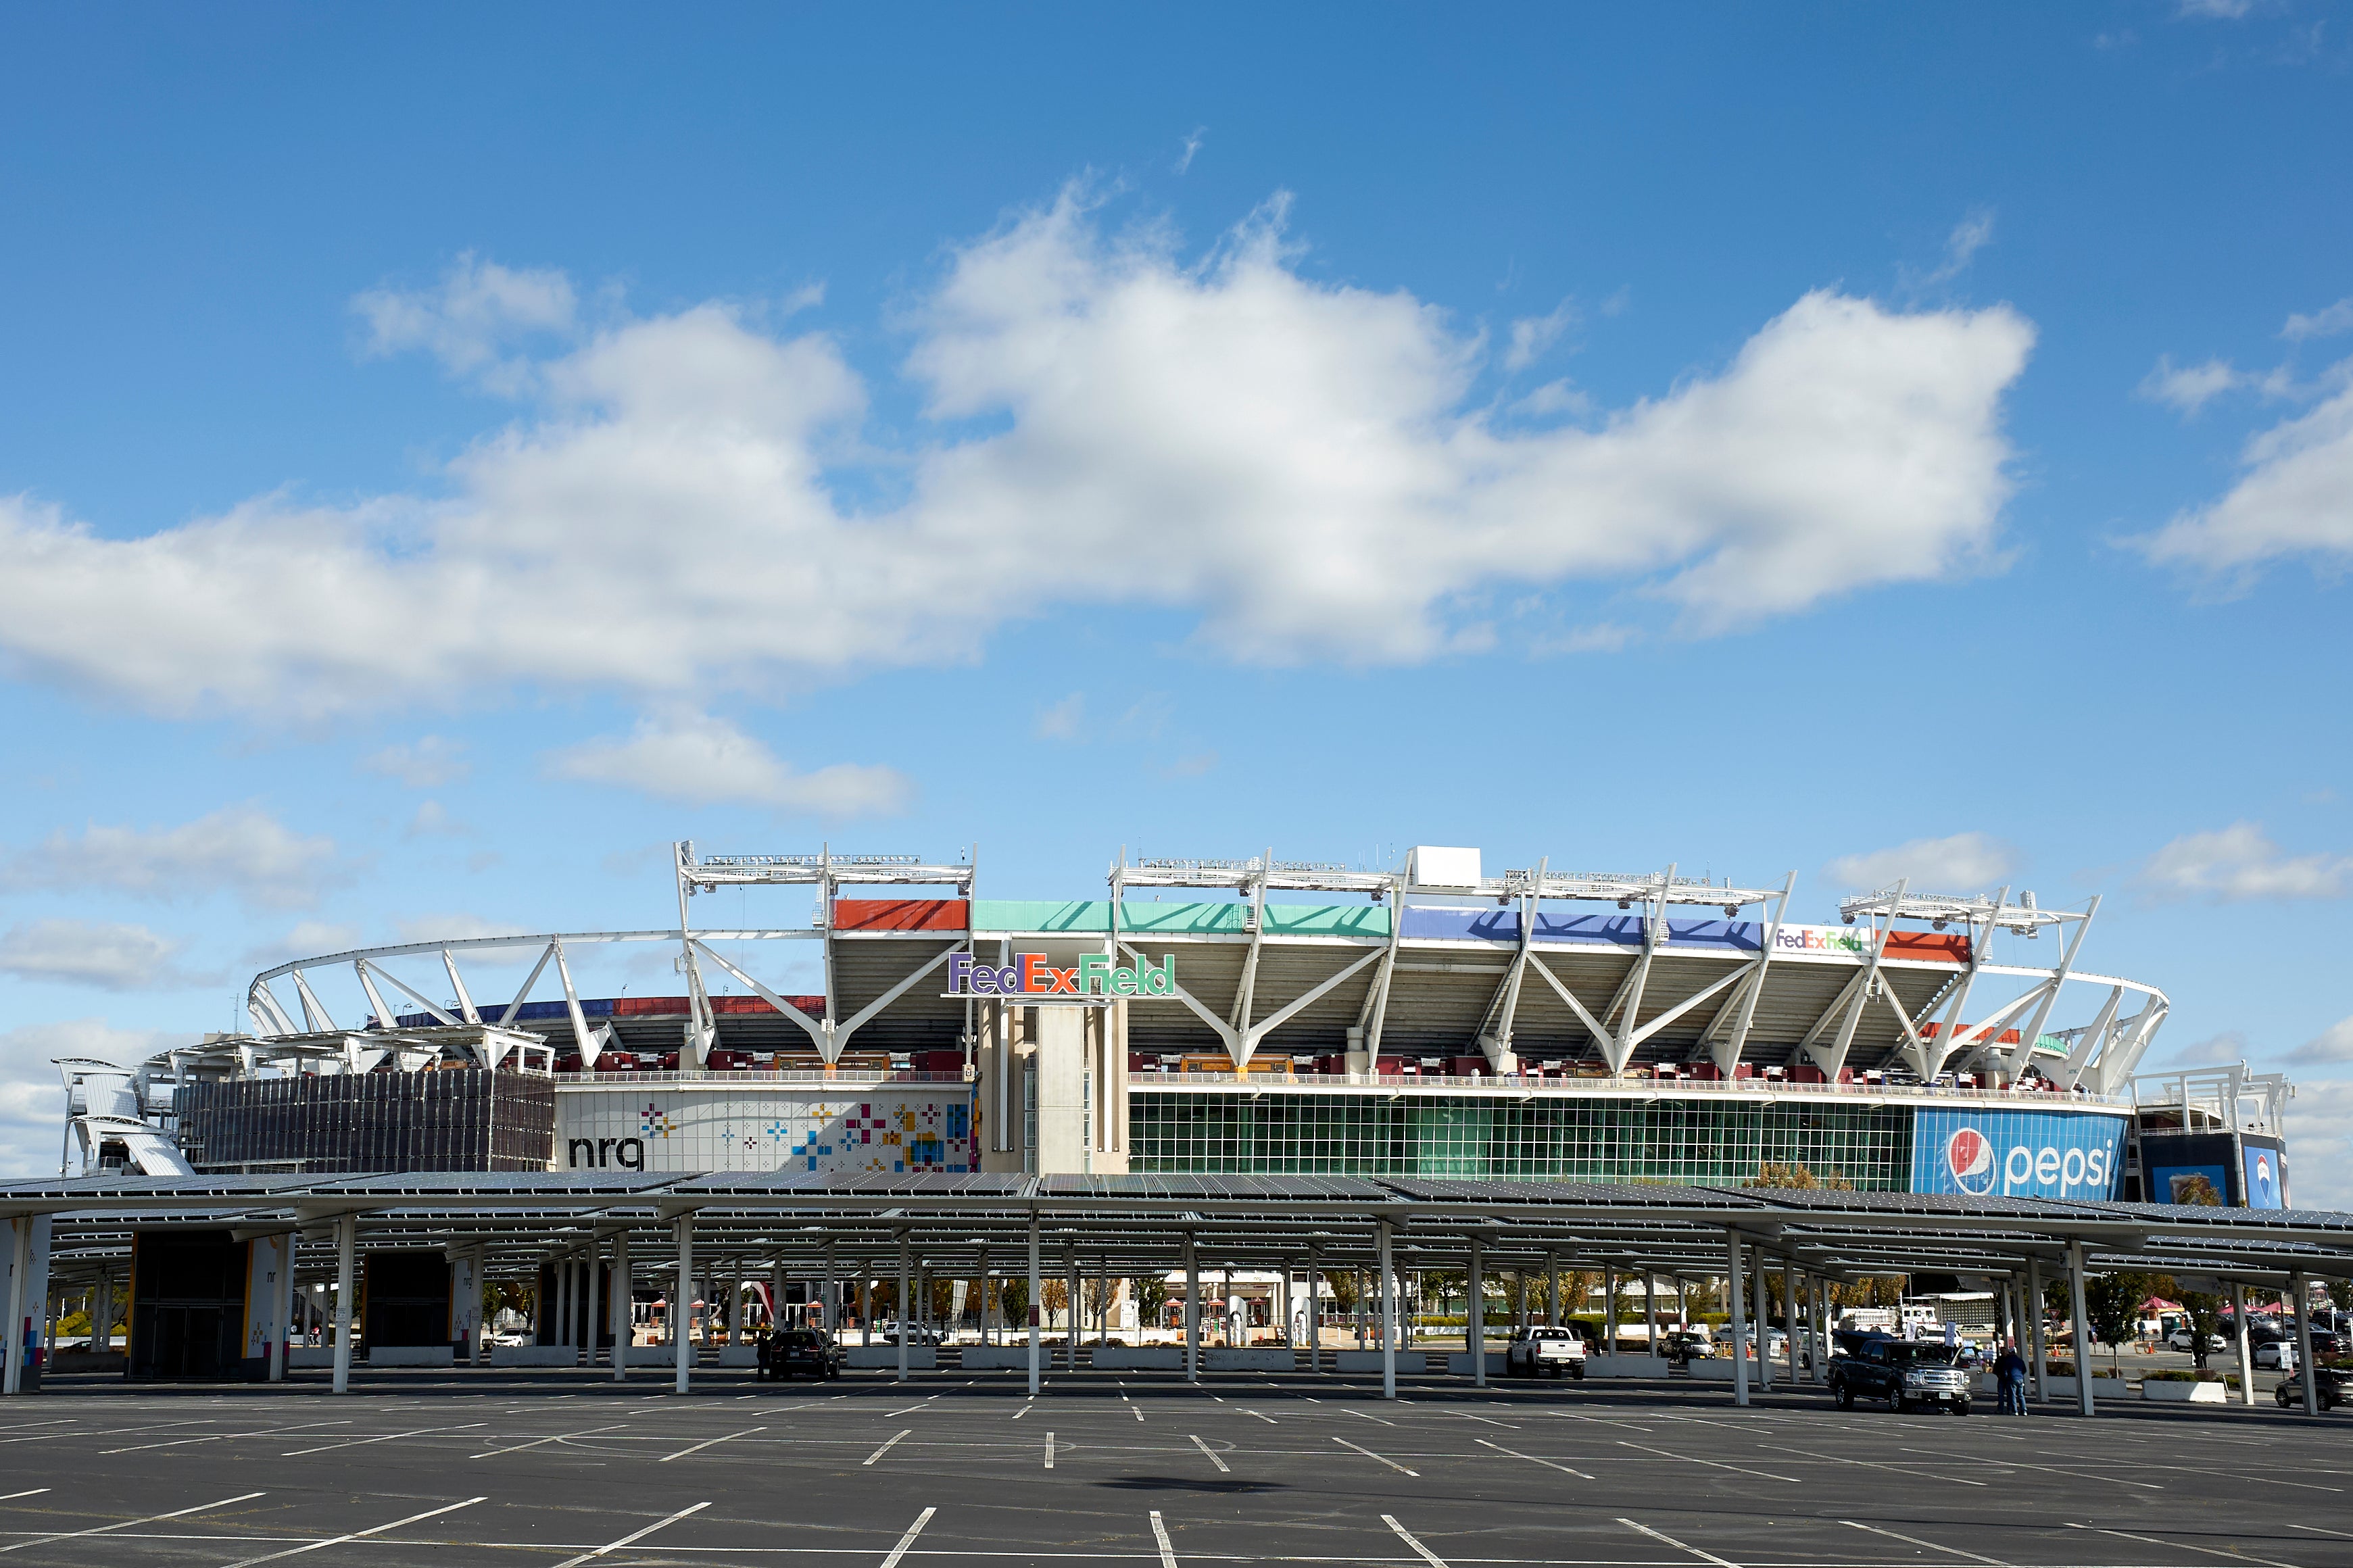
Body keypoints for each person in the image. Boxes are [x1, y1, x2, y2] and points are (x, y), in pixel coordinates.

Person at [1994, 1339, 2029, 1415]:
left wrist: (2005, 1377)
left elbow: (2004, 1371)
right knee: (2020, 1395)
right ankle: (2024, 1410)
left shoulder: (2007, 1360)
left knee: (2011, 1395)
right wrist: (2020, 1376)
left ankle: (2014, 1410)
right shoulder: (2020, 1360)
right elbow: (2024, 1370)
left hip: (2010, 1379)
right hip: (2019, 1379)